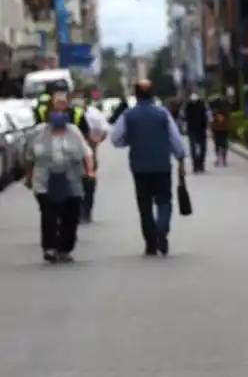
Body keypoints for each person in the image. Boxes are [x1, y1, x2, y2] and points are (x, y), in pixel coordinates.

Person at [110, 80, 187, 257]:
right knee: (164, 201)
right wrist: (180, 156)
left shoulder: (128, 115)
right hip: (161, 164)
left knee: (144, 205)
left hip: (139, 166)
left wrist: (130, 140)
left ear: (136, 95)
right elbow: (174, 138)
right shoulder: (163, 114)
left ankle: (151, 243)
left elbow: (116, 139)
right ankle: (161, 229)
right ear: (152, 95)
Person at [23, 93, 95, 263]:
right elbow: (28, 157)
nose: (59, 112)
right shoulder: (38, 133)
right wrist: (28, 177)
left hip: (71, 180)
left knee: (70, 216)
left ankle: (65, 248)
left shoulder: (74, 132)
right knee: (49, 214)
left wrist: (90, 170)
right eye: (56, 108)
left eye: (63, 108)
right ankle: (49, 247)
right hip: (44, 181)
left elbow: (87, 153)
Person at [81, 97, 110, 222]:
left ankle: (87, 209)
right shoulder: (69, 112)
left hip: (89, 149)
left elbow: (104, 130)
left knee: (89, 179)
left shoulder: (94, 114)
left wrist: (96, 141)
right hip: (72, 151)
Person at [183, 92, 210, 173]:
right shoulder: (188, 106)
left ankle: (199, 164)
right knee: (196, 148)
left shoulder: (199, 105)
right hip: (195, 130)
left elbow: (206, 117)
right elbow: (184, 117)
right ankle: (197, 165)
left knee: (200, 148)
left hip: (199, 130)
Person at [210, 96, 232, 166]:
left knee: (217, 144)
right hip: (224, 128)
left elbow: (213, 120)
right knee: (224, 144)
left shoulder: (215, 111)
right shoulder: (226, 111)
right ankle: (224, 159)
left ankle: (218, 159)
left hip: (217, 129)